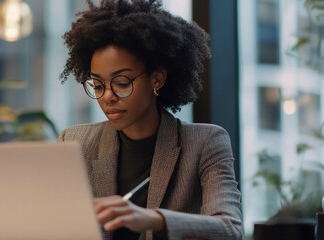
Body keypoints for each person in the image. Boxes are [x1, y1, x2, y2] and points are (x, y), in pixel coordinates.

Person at [58, 0, 243, 239]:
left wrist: (154, 219)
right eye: (98, 85)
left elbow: (230, 228)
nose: (108, 97)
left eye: (122, 83)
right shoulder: (75, 142)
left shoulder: (205, 142)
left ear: (156, 79)